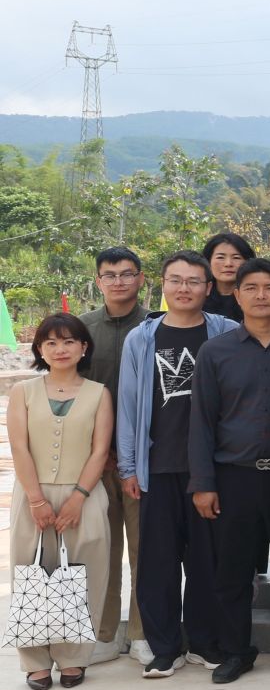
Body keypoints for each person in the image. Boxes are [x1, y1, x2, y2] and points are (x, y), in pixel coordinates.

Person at [189, 259, 270, 683]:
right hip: (233, 477)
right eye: (251, 288)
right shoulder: (215, 352)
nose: (261, 295)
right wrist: (203, 483)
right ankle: (237, 651)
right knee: (232, 572)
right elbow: (202, 422)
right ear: (236, 295)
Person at [117, 252, 233, 677]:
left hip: (211, 470)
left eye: (194, 281)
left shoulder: (226, 332)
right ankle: (165, 647)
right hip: (158, 467)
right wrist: (128, 467)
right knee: (158, 564)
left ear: (208, 287)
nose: (184, 288)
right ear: (162, 285)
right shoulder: (141, 339)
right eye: (176, 280)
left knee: (207, 562)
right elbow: (128, 405)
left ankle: (203, 642)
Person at [9, 315, 113, 689]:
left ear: (84, 348)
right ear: (40, 349)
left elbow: (100, 451)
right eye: (50, 342)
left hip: (84, 496)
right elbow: (19, 446)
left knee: (86, 574)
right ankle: (34, 660)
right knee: (30, 573)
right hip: (32, 494)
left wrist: (78, 498)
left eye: (69, 341)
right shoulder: (23, 392)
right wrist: (37, 500)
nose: (60, 349)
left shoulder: (99, 393)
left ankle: (74, 657)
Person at [80, 248, 147, 658]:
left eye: (127, 273)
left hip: (144, 461)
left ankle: (141, 632)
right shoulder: (82, 329)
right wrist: (96, 452)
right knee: (100, 550)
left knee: (145, 550)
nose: (119, 281)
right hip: (95, 462)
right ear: (98, 281)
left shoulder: (157, 327)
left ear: (141, 278)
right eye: (110, 275)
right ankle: (103, 633)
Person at [201, 232, 252, 322]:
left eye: (236, 258)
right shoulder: (199, 298)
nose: (228, 264)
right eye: (220, 257)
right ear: (208, 262)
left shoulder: (255, 298)